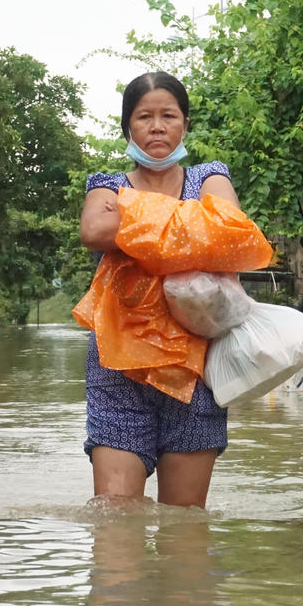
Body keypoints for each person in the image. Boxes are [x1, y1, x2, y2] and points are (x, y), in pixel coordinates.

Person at [78, 71, 242, 508]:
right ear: (127, 128)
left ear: (185, 124)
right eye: (144, 116)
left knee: (185, 532)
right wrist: (189, 225)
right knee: (114, 526)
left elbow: (227, 232)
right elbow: (95, 228)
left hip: (194, 372)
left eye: (168, 115)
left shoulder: (210, 177)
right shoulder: (104, 183)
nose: (157, 126)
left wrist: (129, 222)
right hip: (118, 372)